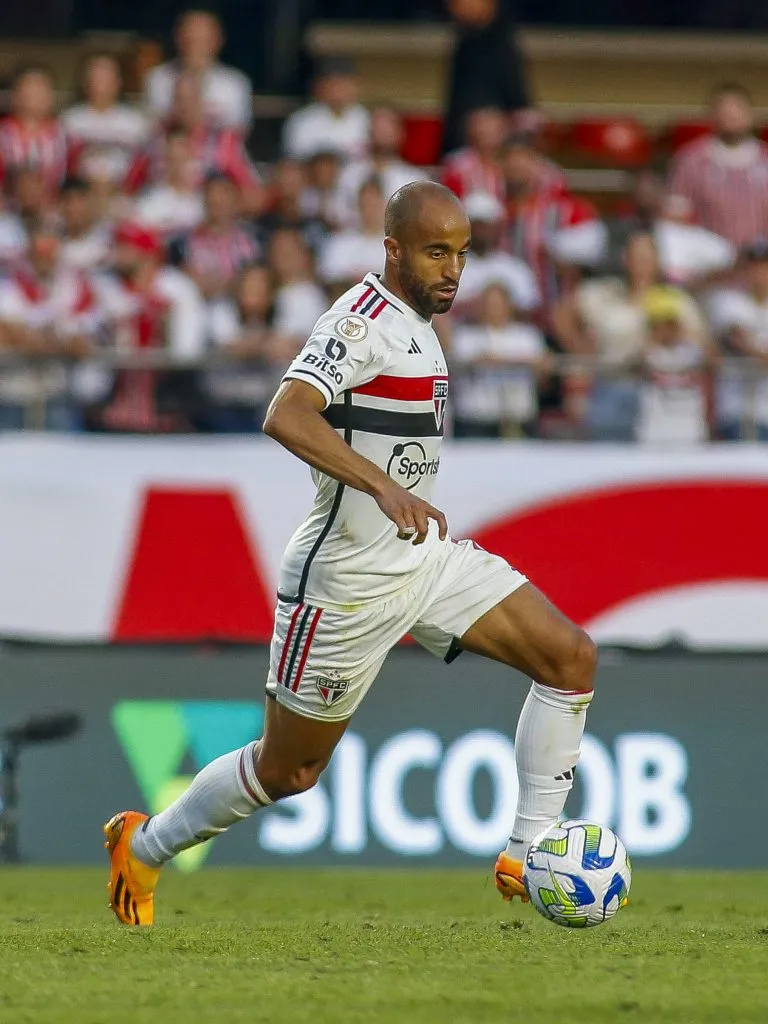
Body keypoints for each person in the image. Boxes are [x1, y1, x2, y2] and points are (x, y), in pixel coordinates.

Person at [103, 180, 598, 926]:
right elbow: (286, 413)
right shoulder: (359, 322)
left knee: (569, 659)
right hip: (345, 581)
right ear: (392, 247)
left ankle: (526, 853)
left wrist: (399, 500)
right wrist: (380, 487)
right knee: (288, 769)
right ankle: (143, 847)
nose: (452, 270)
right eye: (436, 251)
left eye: (462, 254)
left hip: (423, 557)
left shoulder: (423, 322)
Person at [552, 230, 708, 441]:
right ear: (625, 259)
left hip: (658, 393)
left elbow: (701, 343)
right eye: (635, 256)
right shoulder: (605, 292)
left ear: (657, 260)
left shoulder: (674, 299)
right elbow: (561, 314)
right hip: (611, 385)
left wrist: (668, 338)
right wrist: (580, 349)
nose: (641, 263)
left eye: (646, 257)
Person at [666, 83, 768, 249]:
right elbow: (675, 217)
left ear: (750, 114)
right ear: (713, 115)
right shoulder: (691, 160)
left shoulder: (765, 158)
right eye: (725, 110)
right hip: (708, 259)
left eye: (737, 109)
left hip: (761, 260)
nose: (731, 115)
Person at [451, 282, 549, 437]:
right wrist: (518, 362)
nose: (493, 308)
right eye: (489, 303)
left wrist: (497, 361)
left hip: (519, 419)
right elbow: (457, 369)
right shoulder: (465, 337)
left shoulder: (528, 336)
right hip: (475, 420)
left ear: (509, 305)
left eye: (498, 303)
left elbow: (543, 373)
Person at [442, 0, 530, 157]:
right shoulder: (465, 42)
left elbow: (517, 100)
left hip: (500, 140)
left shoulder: (503, 45)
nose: (455, 8)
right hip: (462, 143)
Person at [144, 8, 253, 131]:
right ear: (178, 39)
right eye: (190, 40)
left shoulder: (235, 83)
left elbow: (237, 133)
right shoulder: (158, 78)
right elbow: (157, 128)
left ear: (217, 41)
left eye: (202, 40)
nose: (195, 47)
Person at [636, 286, 713, 445]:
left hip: (690, 430)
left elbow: (714, 360)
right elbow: (640, 360)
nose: (665, 329)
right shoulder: (649, 352)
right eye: (659, 324)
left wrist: (688, 327)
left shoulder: (691, 351)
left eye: (669, 323)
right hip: (654, 431)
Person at [707, 240, 768, 440]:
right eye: (754, 266)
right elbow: (738, 338)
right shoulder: (728, 301)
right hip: (737, 409)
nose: (759, 272)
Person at [62, 53, 149, 188]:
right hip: (81, 195)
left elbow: (143, 164)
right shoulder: (70, 120)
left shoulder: (135, 122)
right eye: (95, 78)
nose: (100, 84)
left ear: (118, 82)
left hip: (124, 194)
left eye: (106, 78)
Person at [333, 107, 427, 227]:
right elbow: (337, 213)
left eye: (388, 127)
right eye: (378, 127)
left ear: (400, 134)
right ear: (369, 132)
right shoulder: (350, 174)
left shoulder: (415, 180)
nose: (382, 133)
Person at [282, 57, 370, 163]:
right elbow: (295, 163)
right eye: (334, 84)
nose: (339, 91)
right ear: (319, 87)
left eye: (344, 84)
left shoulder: (366, 118)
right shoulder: (302, 121)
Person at [0, 65, 68, 197]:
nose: (36, 94)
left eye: (42, 88)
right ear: (16, 94)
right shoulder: (3, 134)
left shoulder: (64, 134)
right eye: (30, 87)